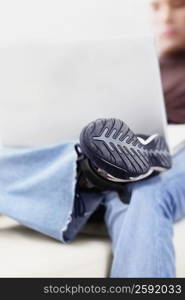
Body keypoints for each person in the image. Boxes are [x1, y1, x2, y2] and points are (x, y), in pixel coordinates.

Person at [0, 0, 185, 277]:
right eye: (156, 7)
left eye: (179, 6)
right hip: (115, 168)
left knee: (144, 190)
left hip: (178, 148)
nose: (165, 17)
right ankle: (91, 169)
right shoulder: (135, 65)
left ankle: (102, 168)